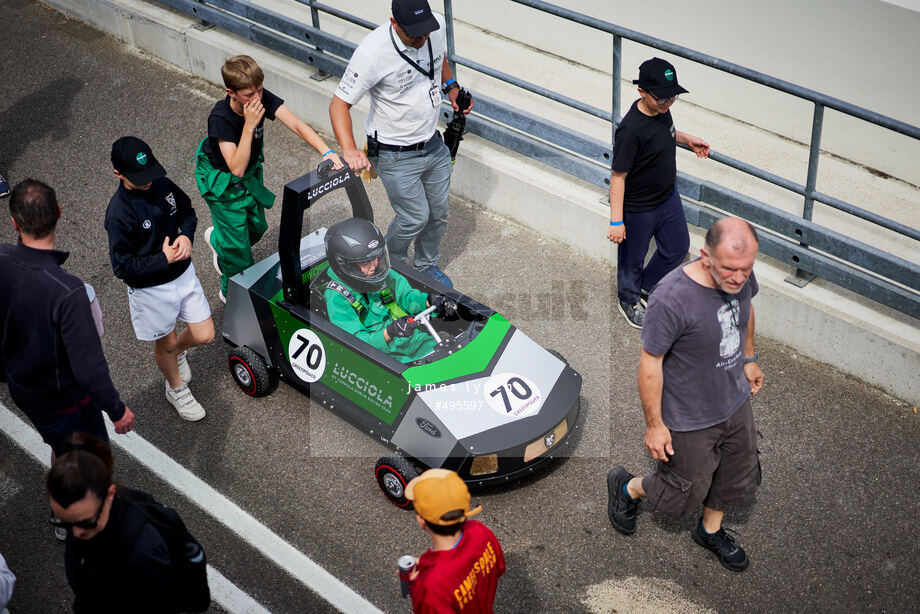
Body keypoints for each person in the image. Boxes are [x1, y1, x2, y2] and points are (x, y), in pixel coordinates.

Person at [606, 217, 765, 572]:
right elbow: (650, 365)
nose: (739, 278)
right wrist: (655, 425)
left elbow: (746, 307)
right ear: (705, 256)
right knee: (681, 492)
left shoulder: (739, 272)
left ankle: (709, 531)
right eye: (729, 269)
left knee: (735, 473)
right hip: (689, 414)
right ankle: (627, 488)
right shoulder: (671, 297)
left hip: (734, 399)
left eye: (746, 269)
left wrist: (749, 358)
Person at [329, 0, 474, 288]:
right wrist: (349, 149)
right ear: (394, 23)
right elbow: (338, 105)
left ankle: (425, 264)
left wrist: (451, 87)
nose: (422, 39)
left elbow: (439, 57)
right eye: (414, 35)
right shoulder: (372, 53)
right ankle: (391, 264)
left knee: (439, 210)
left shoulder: (434, 28)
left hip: (432, 143)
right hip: (395, 153)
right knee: (414, 216)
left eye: (425, 32)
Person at [0, 179, 134, 458]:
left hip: (22, 389)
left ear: (14, 223)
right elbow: (89, 367)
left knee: (61, 448)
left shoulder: (2, 257)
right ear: (59, 212)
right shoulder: (68, 292)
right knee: (88, 468)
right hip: (64, 401)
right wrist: (117, 410)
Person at [195, 54, 343, 302]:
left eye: (260, 91)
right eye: (249, 95)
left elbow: (295, 123)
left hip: (248, 172)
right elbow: (236, 168)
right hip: (223, 182)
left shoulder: (260, 97)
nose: (256, 99)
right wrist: (249, 125)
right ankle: (232, 294)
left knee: (256, 228)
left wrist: (326, 150)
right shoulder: (220, 118)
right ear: (230, 92)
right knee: (239, 253)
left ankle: (219, 241)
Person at [105, 136, 215, 422]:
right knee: (164, 342)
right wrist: (162, 259)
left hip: (183, 275)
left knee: (205, 334)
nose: (148, 181)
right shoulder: (119, 214)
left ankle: (174, 353)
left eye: (150, 172)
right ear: (119, 174)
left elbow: (188, 212)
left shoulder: (162, 184)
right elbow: (123, 268)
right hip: (151, 291)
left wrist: (185, 236)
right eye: (140, 177)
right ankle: (175, 388)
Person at [607, 57, 710, 329]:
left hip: (667, 198)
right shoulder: (630, 130)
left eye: (672, 96)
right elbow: (618, 177)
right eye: (661, 98)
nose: (668, 103)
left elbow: (666, 133)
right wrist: (616, 220)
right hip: (638, 208)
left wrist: (687, 139)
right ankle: (628, 299)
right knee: (632, 260)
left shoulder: (663, 111)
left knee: (676, 247)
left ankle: (647, 287)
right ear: (641, 91)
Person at [47, 433, 183, 614]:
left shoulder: (145, 549)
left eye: (86, 522)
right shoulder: (83, 520)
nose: (76, 533)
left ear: (110, 494)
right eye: (64, 523)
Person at [323, 217, 456, 363]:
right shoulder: (337, 298)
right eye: (365, 262)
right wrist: (390, 332)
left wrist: (429, 301)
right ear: (344, 266)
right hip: (380, 355)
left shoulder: (381, 275)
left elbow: (407, 296)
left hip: (411, 338)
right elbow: (357, 342)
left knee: (450, 358)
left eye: (377, 258)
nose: (374, 266)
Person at [404, 469, 505, 613]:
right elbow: (497, 569)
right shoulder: (481, 531)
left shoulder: (429, 588)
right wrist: (428, 566)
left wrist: (421, 582)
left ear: (421, 521)